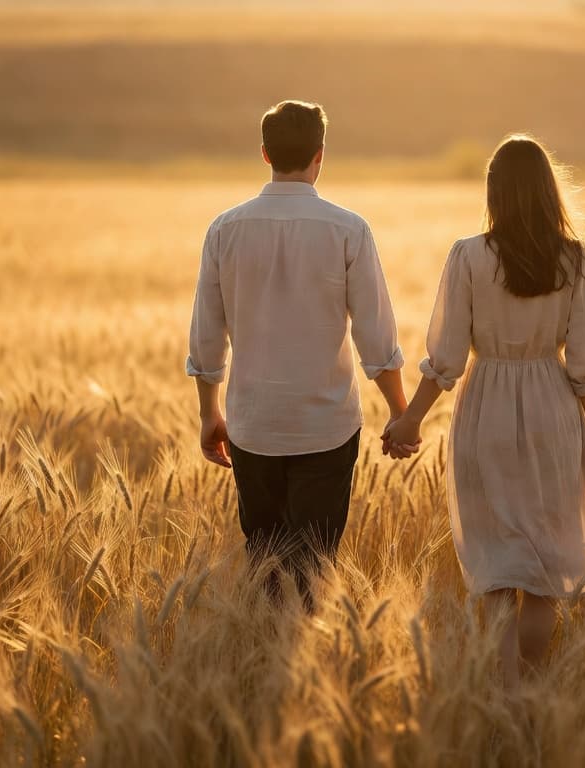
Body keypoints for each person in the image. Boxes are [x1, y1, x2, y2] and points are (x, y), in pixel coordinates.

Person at [384, 135, 585, 691]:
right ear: (549, 191)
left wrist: (411, 419)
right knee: (544, 574)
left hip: (485, 415)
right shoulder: (572, 260)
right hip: (553, 412)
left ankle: (503, 695)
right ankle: (530, 686)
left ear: (494, 192)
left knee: (498, 571)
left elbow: (446, 359)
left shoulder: (468, 255)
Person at [185, 100, 413, 608]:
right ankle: (304, 669)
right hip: (326, 427)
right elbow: (376, 339)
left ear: (264, 153)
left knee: (265, 562)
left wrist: (209, 413)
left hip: (253, 425)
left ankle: (263, 664)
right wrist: (401, 411)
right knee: (315, 570)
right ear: (320, 155)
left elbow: (206, 337)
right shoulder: (348, 229)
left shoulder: (224, 229)